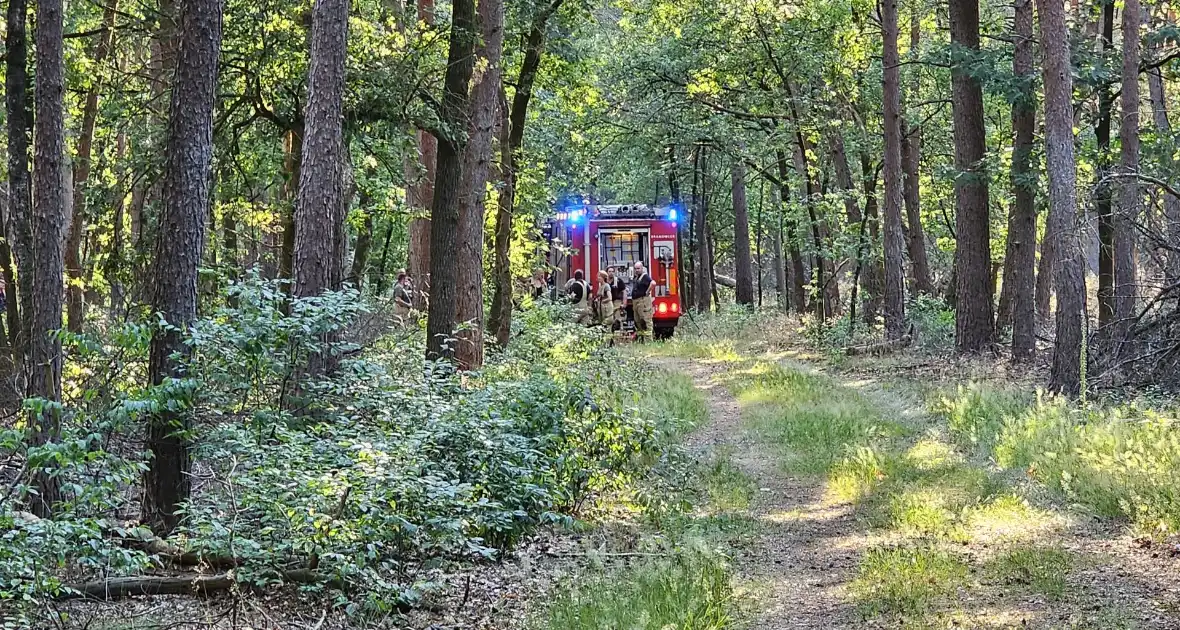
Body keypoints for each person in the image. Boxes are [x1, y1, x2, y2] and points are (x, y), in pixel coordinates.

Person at [631, 262, 654, 342]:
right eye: (635, 268)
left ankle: (648, 342)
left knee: (646, 321)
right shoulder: (637, 277)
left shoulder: (645, 276)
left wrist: (647, 292)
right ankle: (642, 341)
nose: (636, 270)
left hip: (643, 302)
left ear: (642, 268)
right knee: (638, 322)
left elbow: (653, 283)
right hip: (636, 302)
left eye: (638, 268)